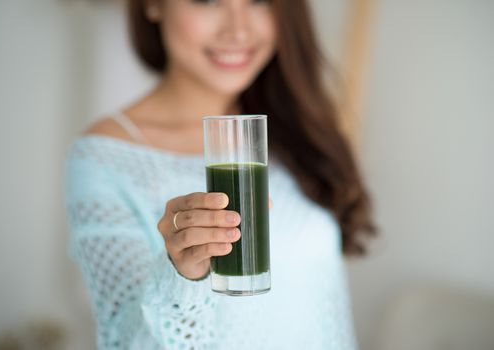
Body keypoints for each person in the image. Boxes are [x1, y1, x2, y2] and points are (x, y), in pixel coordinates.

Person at [65, 0, 376, 349]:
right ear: (153, 5)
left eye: (258, 1)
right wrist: (183, 276)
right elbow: (128, 340)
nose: (238, 29)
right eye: (207, 0)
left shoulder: (298, 130)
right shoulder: (105, 158)